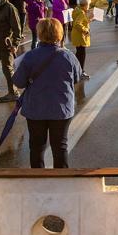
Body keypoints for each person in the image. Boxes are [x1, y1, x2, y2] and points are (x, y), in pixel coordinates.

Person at [13, 18, 82, 168]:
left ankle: (38, 181)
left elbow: (18, 82)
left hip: (35, 109)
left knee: (36, 147)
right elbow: (77, 78)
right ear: (60, 34)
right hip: (61, 108)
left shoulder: (30, 56)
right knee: (60, 146)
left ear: (39, 34)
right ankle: (61, 180)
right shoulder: (69, 56)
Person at [71, 0, 93, 79]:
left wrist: (89, 20)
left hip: (76, 35)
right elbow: (77, 24)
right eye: (89, 5)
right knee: (82, 54)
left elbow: (79, 21)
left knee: (78, 53)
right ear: (86, 4)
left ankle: (76, 70)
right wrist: (85, 30)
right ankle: (81, 72)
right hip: (80, 36)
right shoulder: (81, 12)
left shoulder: (77, 10)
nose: (89, 6)